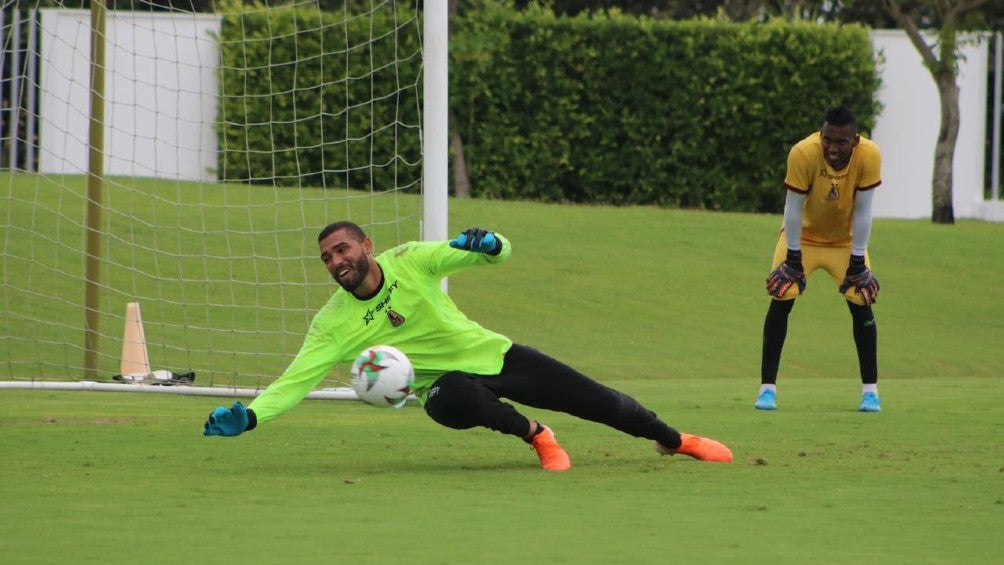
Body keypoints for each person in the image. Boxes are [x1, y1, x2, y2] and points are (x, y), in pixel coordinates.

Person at [203, 221, 733, 469]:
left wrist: (489, 241)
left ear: (366, 246)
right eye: (326, 258)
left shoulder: (411, 258)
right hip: (444, 390)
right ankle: (538, 437)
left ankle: (674, 439)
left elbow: (492, 255)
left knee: (601, 401)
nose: (336, 262)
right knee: (456, 397)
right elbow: (295, 381)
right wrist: (251, 417)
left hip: (496, 356)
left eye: (342, 249)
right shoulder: (332, 323)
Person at [759, 105, 882, 413]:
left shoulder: (869, 155)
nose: (832, 148)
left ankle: (870, 392)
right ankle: (767, 390)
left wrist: (857, 262)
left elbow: (864, 211)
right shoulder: (803, 152)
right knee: (782, 294)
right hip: (803, 238)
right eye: (828, 139)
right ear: (821, 134)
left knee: (861, 298)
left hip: (845, 242)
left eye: (841, 142)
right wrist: (794, 257)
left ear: (854, 141)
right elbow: (793, 208)